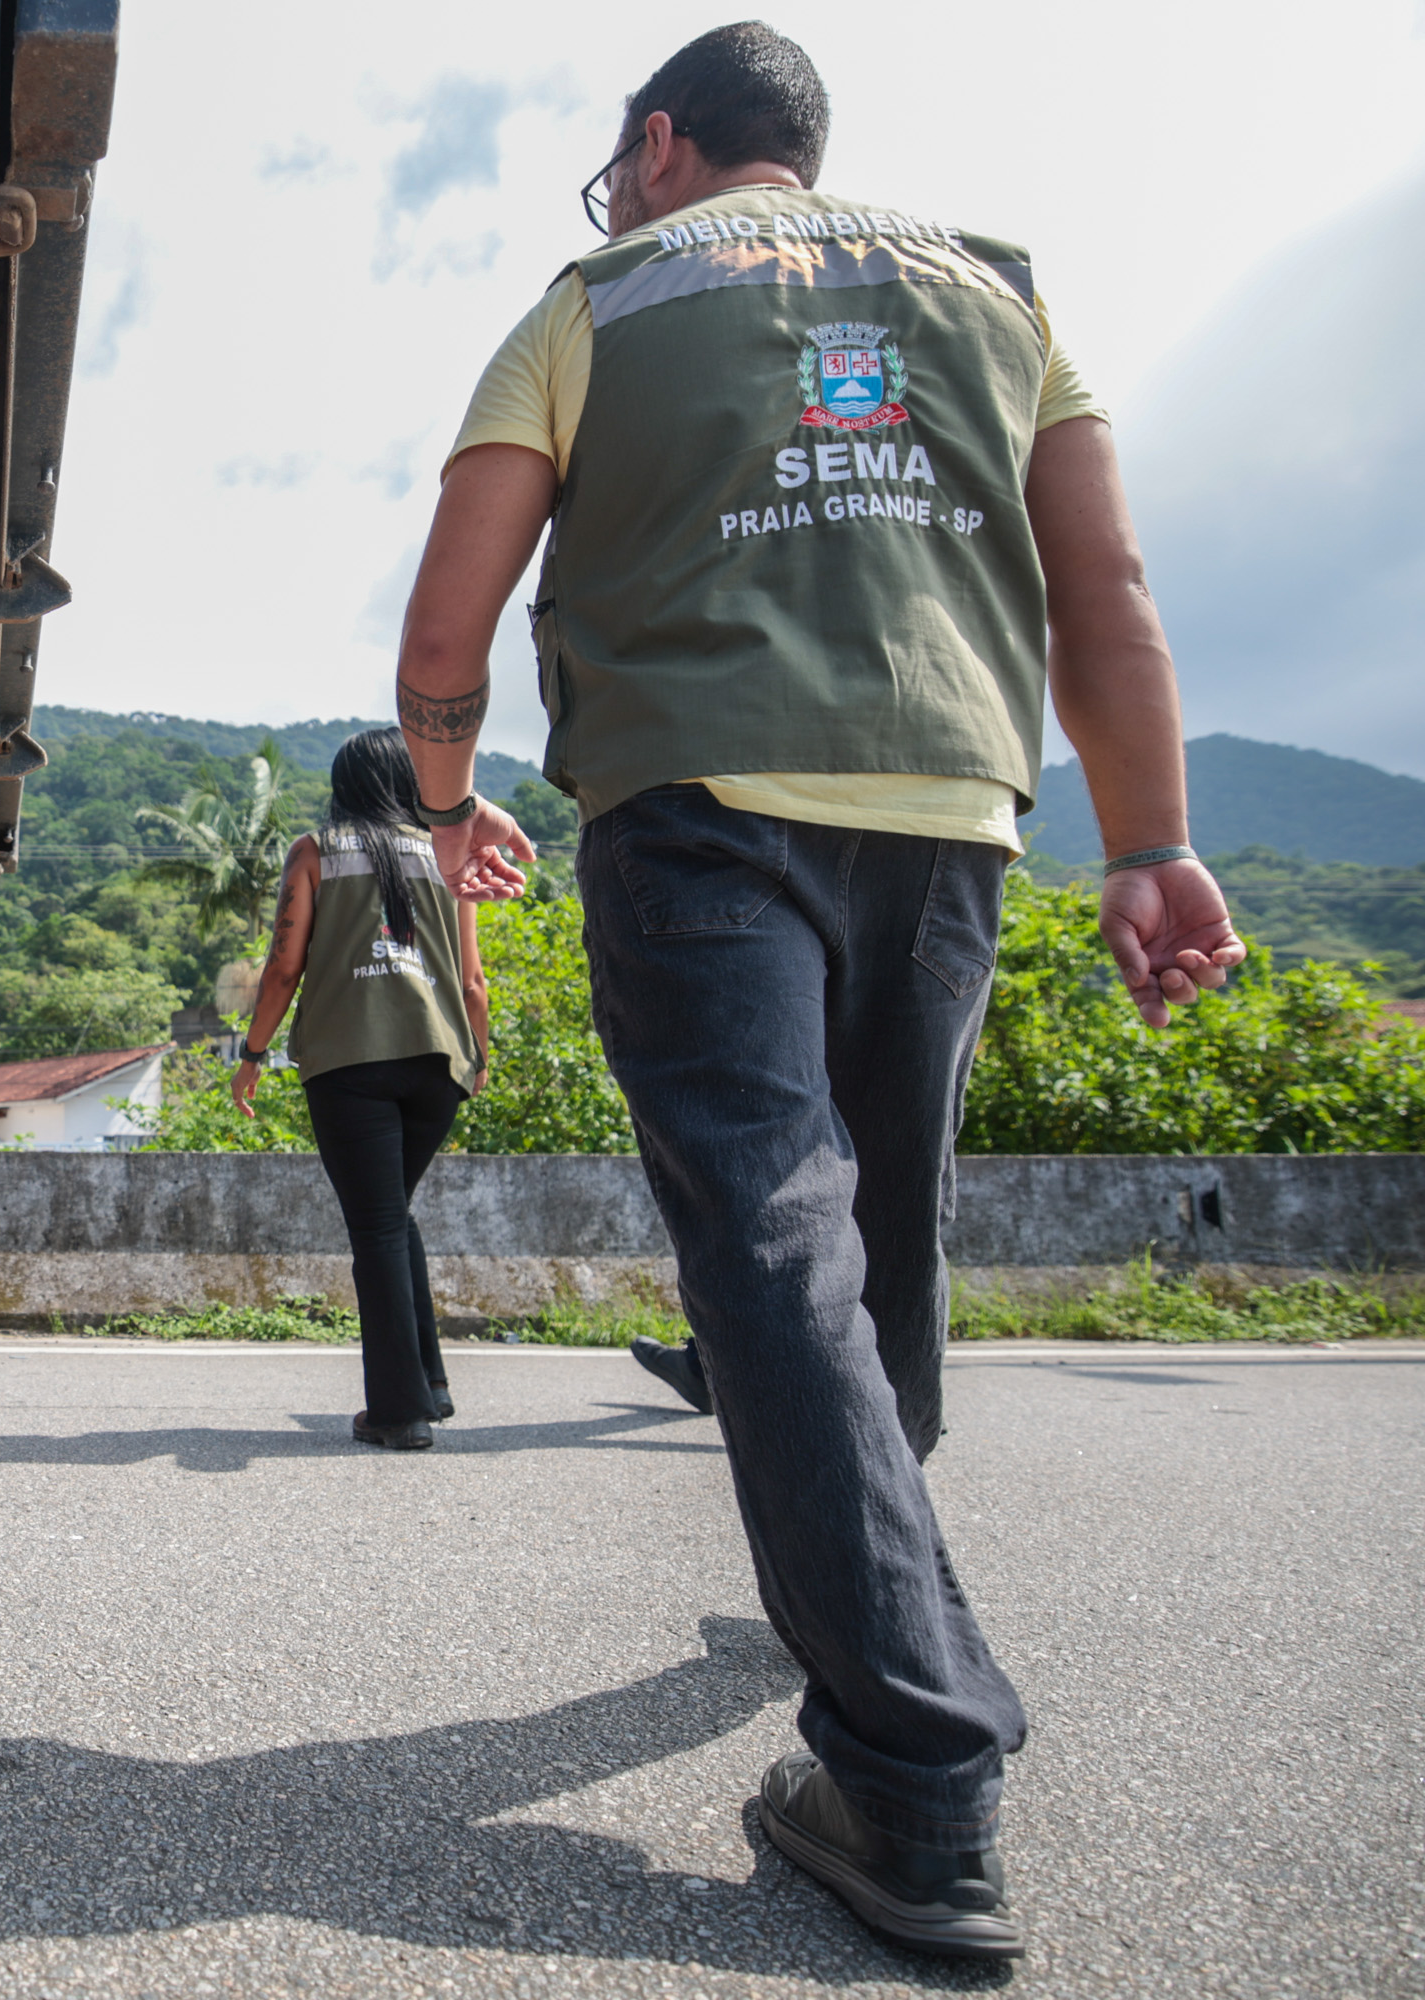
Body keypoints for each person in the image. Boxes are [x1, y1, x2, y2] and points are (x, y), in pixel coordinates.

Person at [384, 21, 1244, 1962]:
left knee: (774, 1241)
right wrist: (1153, 839)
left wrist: (441, 800)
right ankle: (881, 1599)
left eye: (623, 168)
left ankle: (914, 1769)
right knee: (878, 1231)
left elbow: (448, 620)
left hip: (699, 809)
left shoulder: (596, 300)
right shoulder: (1002, 294)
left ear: (660, 144)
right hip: (946, 810)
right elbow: (1104, 592)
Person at [230, 730, 488, 1451]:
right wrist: (479, 1056)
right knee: (392, 1216)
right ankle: (430, 1384)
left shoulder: (316, 852)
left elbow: (283, 969)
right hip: (439, 1062)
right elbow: (472, 979)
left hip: (351, 1064)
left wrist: (253, 1053)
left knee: (376, 1229)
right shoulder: (447, 852)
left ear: (343, 785)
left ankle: (398, 1412)